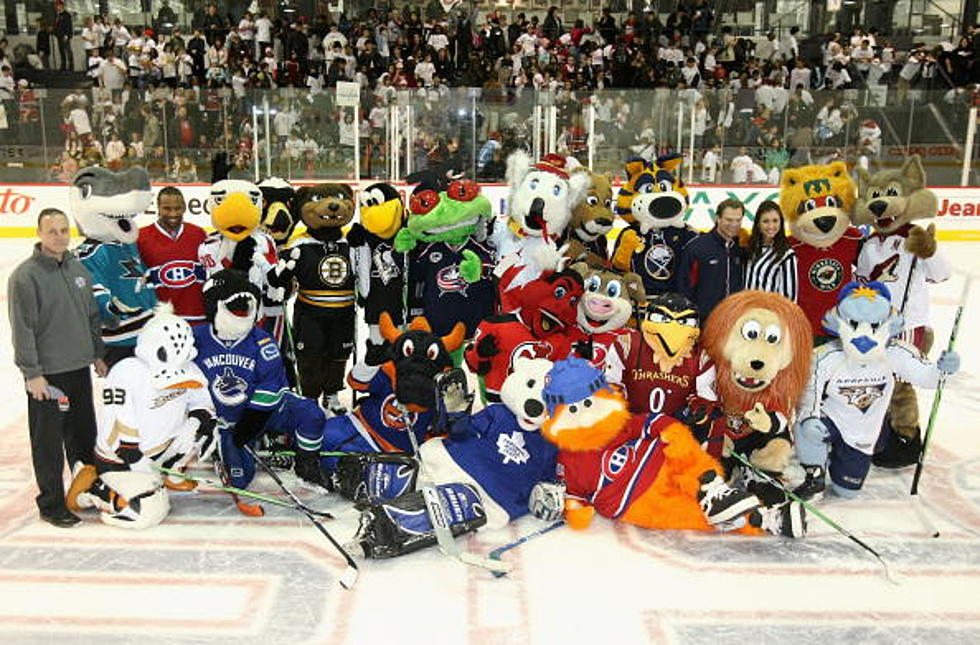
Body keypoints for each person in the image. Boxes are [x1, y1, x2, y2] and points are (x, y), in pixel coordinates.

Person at [8, 209, 108, 528]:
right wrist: (32, 373)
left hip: (78, 367)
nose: (60, 236)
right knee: (48, 442)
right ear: (39, 233)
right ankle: (51, 504)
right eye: (52, 231)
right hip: (48, 375)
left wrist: (97, 354)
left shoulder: (78, 269)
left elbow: (91, 316)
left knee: (82, 436)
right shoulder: (25, 277)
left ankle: (85, 490)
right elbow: (22, 329)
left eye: (64, 230)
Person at [137, 187, 207, 322]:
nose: (173, 213)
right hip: (162, 320)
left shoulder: (199, 234)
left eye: (177, 208)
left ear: (184, 207)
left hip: (199, 316)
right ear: (158, 207)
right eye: (167, 208)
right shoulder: (141, 238)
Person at [677, 198, 746, 319]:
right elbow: (684, 288)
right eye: (729, 220)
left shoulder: (740, 250)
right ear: (718, 218)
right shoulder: (697, 248)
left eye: (738, 220)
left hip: (733, 321)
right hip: (704, 322)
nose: (734, 224)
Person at [744, 201, 798, 301]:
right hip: (746, 312)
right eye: (765, 221)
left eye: (775, 221)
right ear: (758, 224)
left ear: (781, 223)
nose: (771, 226)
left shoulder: (787, 255)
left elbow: (789, 298)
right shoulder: (751, 248)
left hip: (768, 314)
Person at [54, 1, 74, 72]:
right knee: (61, 51)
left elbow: (68, 25)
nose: (57, 7)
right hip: (59, 35)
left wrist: (67, 34)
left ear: (61, 6)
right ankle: (63, 65)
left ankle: (71, 66)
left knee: (68, 50)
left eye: (58, 5)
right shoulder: (57, 15)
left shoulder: (66, 15)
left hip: (65, 35)